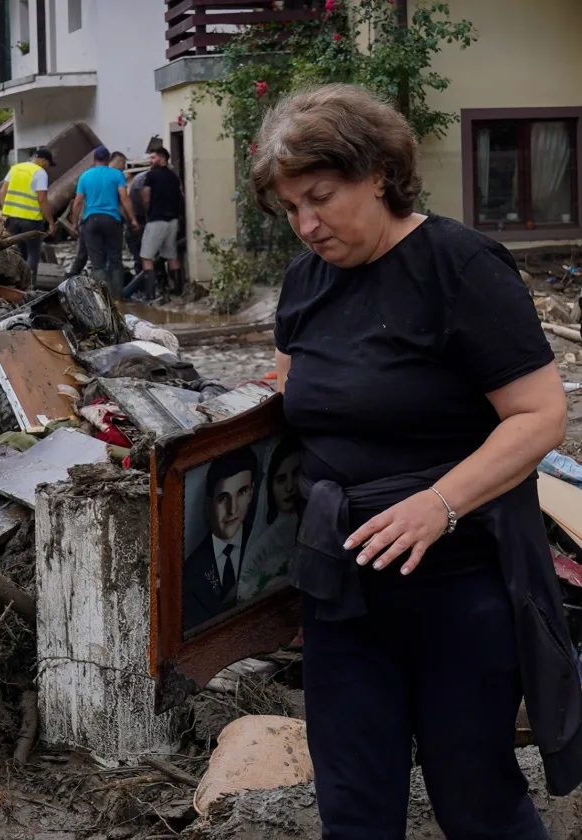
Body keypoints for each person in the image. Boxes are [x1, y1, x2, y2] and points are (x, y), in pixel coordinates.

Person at [263, 83, 582, 838]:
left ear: (377, 172)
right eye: (289, 209)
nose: (306, 225)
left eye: (320, 197)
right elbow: (292, 401)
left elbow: (540, 415)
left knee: (476, 800)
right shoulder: (305, 282)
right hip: (341, 589)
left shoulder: (458, 265)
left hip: (457, 584)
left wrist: (438, 503)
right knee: (353, 803)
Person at [183, 447, 257, 631]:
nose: (233, 509)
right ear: (208, 506)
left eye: (241, 492)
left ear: (252, 493)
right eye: (223, 498)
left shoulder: (263, 543)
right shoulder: (190, 572)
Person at [239, 435, 302, 600]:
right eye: (281, 480)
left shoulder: (313, 521)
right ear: (270, 488)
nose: (290, 487)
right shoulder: (262, 547)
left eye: (295, 474)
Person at [69, 147, 137, 297]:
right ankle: (118, 298)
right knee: (115, 259)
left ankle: (104, 298)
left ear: (94, 159)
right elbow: (124, 199)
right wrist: (132, 219)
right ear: (108, 159)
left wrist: (74, 223)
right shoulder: (117, 174)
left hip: (91, 221)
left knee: (97, 262)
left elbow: (78, 202)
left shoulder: (85, 176)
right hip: (112, 220)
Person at [0, 148, 56, 286]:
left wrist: (5, 211)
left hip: (13, 220)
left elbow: (2, 191)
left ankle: (18, 285)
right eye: (48, 164)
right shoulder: (39, 172)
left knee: (21, 253)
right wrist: (50, 222)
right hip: (31, 221)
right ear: (43, 161)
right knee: (33, 254)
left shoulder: (15, 169)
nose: (48, 167)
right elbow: (42, 199)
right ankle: (29, 287)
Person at [138, 148, 184, 298]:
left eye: (153, 158)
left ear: (162, 158)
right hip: (173, 221)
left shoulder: (151, 176)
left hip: (156, 220)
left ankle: (150, 294)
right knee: (171, 256)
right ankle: (178, 291)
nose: (150, 161)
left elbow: (146, 197)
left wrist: (147, 213)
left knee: (146, 257)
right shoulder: (173, 176)